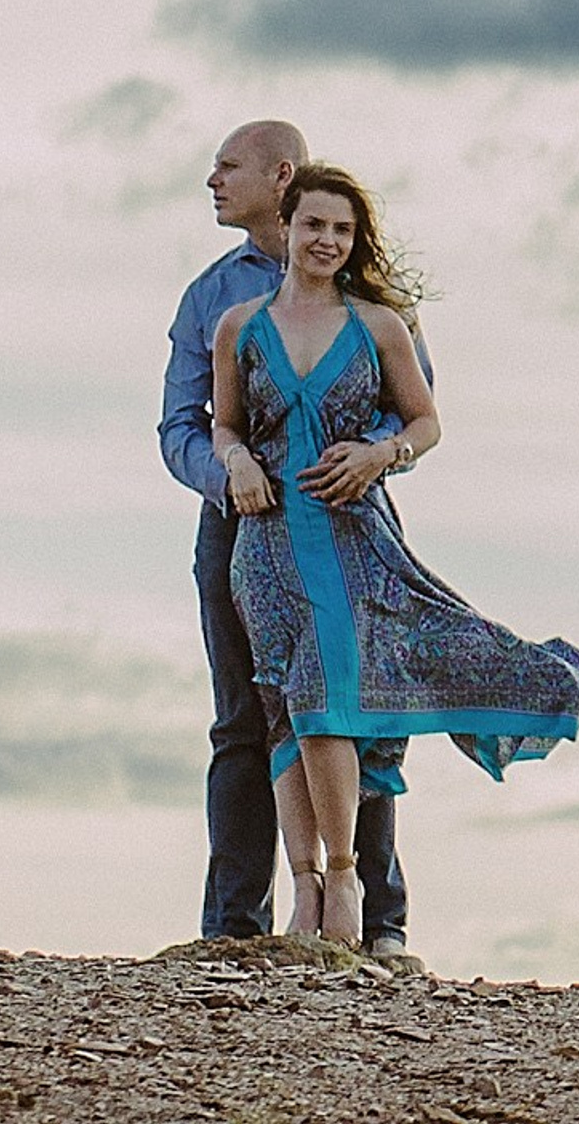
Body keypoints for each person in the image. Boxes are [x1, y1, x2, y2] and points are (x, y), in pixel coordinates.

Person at [210, 163, 579, 945]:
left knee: (327, 699)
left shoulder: (379, 323)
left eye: (343, 231)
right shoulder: (240, 326)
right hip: (268, 544)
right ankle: (307, 891)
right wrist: (238, 463)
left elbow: (426, 422)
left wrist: (379, 454)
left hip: (356, 537)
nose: (327, 241)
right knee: (286, 708)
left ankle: (348, 878)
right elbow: (221, 423)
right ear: (285, 227)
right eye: (315, 225)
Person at [159, 121, 415, 956]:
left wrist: (373, 456)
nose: (211, 180)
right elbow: (184, 423)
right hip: (241, 526)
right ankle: (238, 929)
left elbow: (412, 409)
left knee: (356, 711)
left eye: (226, 166)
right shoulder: (214, 300)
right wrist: (228, 472)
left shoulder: (374, 301)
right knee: (248, 717)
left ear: (281, 177)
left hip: (349, 521)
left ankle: (374, 925)